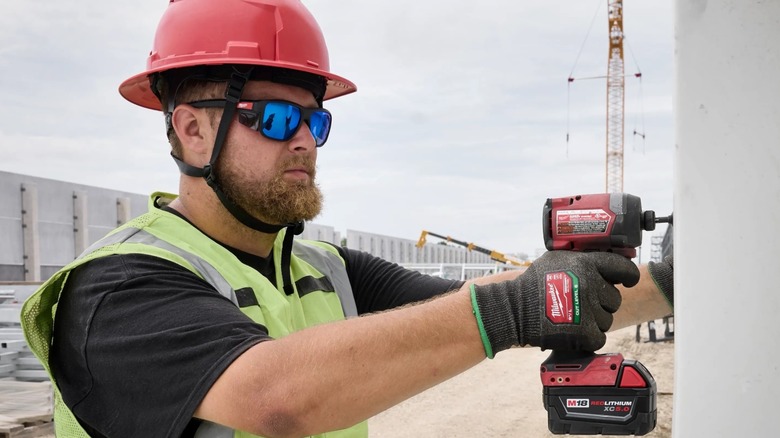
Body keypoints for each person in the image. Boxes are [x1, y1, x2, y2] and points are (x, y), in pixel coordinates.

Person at [20, 0, 674, 437]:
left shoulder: (324, 269)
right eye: (275, 118)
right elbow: (272, 397)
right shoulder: (115, 290)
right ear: (192, 131)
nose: (304, 140)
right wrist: (509, 313)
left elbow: (515, 299)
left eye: (316, 119)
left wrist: (679, 279)